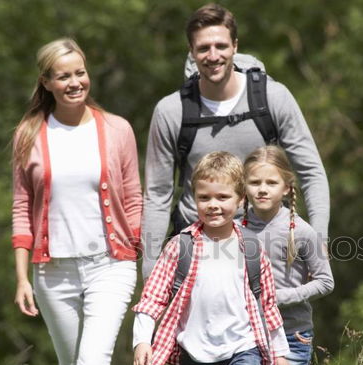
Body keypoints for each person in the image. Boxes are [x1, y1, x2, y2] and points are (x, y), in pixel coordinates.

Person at [10, 38, 142, 365]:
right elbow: (21, 207)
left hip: (111, 264)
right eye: (63, 76)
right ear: (46, 82)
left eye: (80, 72)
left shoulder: (117, 129)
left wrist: (139, 250)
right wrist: (20, 277)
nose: (75, 82)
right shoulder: (29, 134)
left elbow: (135, 199)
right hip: (52, 272)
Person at [141, 2, 330, 279]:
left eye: (221, 46)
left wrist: (318, 241)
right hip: (200, 247)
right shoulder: (171, 111)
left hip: (267, 244)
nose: (213, 55)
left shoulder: (272, 98)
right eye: (203, 48)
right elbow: (157, 195)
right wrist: (150, 270)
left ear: (235, 47)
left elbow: (311, 172)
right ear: (192, 53)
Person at [131, 151, 292, 365]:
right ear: (194, 200)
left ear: (240, 199)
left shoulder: (251, 248)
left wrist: (280, 351)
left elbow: (267, 305)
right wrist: (141, 341)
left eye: (223, 196)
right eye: (205, 197)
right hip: (197, 354)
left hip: (243, 350)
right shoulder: (181, 247)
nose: (213, 204)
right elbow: (152, 298)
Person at [242, 145, 334, 365]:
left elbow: (325, 282)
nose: (263, 189)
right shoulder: (234, 229)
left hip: (292, 333)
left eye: (271, 183)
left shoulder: (301, 231)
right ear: (244, 185)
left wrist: (279, 297)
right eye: (255, 183)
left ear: (286, 186)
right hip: (245, 336)